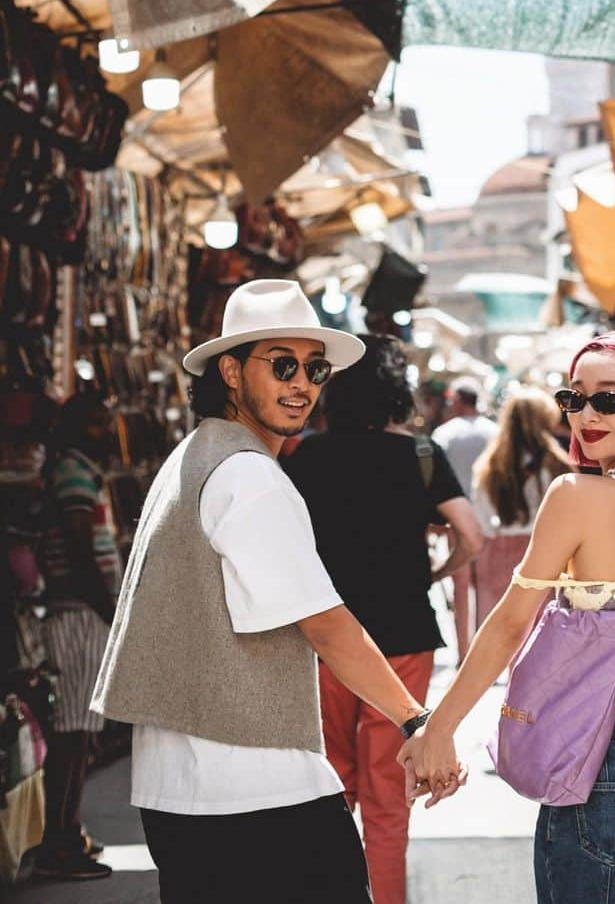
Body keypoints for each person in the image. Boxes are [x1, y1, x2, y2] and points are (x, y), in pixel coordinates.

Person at [90, 280, 463, 904]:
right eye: (283, 365)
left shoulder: (193, 459)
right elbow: (325, 624)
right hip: (255, 784)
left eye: (315, 369)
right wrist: (415, 721)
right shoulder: (248, 475)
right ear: (231, 372)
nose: (303, 385)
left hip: (179, 785)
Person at [401, 331, 615, 904]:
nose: (585, 415)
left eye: (608, 399)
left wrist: (440, 727)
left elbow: (509, 623)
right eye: (574, 399)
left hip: (609, 758)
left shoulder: (576, 494)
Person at [283, 334, 484, 904]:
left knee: (330, 786)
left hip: (322, 640)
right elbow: (472, 536)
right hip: (402, 640)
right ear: (396, 388)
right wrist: (441, 575)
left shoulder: (299, 455)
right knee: (387, 794)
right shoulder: (420, 455)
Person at [33, 392, 122, 882]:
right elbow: (78, 547)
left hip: (83, 612)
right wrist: (110, 611)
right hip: (77, 615)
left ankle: (67, 833)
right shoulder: (72, 472)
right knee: (72, 733)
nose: (107, 430)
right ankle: (59, 841)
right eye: (97, 423)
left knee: (80, 732)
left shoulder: (81, 469)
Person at [470, 387, 566, 628]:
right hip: (546, 552)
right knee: (541, 633)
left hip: (500, 548)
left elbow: (481, 517)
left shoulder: (490, 465)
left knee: (507, 632)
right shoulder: (557, 464)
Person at [432, 382, 497, 658]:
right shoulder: (494, 431)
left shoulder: (444, 434)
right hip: (487, 514)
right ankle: (484, 653)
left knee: (459, 587)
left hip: (454, 514)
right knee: (486, 586)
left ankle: (464, 653)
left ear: (459, 400)